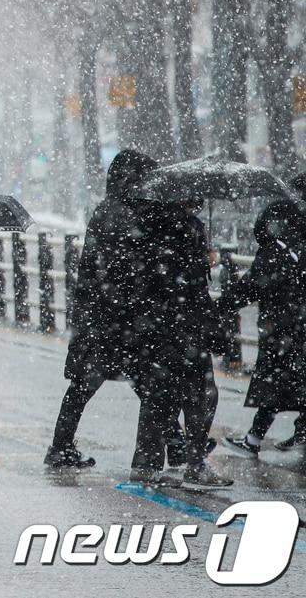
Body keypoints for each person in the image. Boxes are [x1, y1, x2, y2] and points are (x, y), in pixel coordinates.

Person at [46, 150, 158, 468]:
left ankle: (61, 445)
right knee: (123, 381)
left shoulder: (113, 209)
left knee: (138, 381)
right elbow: (121, 268)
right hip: (110, 318)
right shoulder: (120, 214)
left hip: (105, 316)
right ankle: (60, 446)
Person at [125, 198, 232, 487]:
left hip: (158, 326)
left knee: (161, 394)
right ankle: (194, 463)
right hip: (181, 326)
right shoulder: (182, 228)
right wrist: (203, 259)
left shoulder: (148, 225)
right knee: (201, 393)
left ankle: (146, 463)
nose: (199, 201)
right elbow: (186, 281)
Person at [221, 188, 306, 459]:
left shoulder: (276, 252)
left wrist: (217, 307)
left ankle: (253, 440)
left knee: (274, 385)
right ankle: (299, 433)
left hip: (281, 329)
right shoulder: (299, 247)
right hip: (298, 327)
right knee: (296, 381)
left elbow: (249, 287)